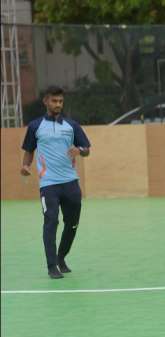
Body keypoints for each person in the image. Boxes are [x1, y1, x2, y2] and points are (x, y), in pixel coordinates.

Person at [20, 86, 92, 279]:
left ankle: (61, 257)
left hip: (70, 183)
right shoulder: (35, 126)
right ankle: (52, 266)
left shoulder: (72, 126)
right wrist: (25, 166)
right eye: (54, 101)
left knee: (72, 224)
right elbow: (29, 149)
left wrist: (80, 150)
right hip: (48, 184)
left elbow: (87, 149)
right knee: (51, 221)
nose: (58, 104)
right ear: (46, 101)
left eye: (60, 101)